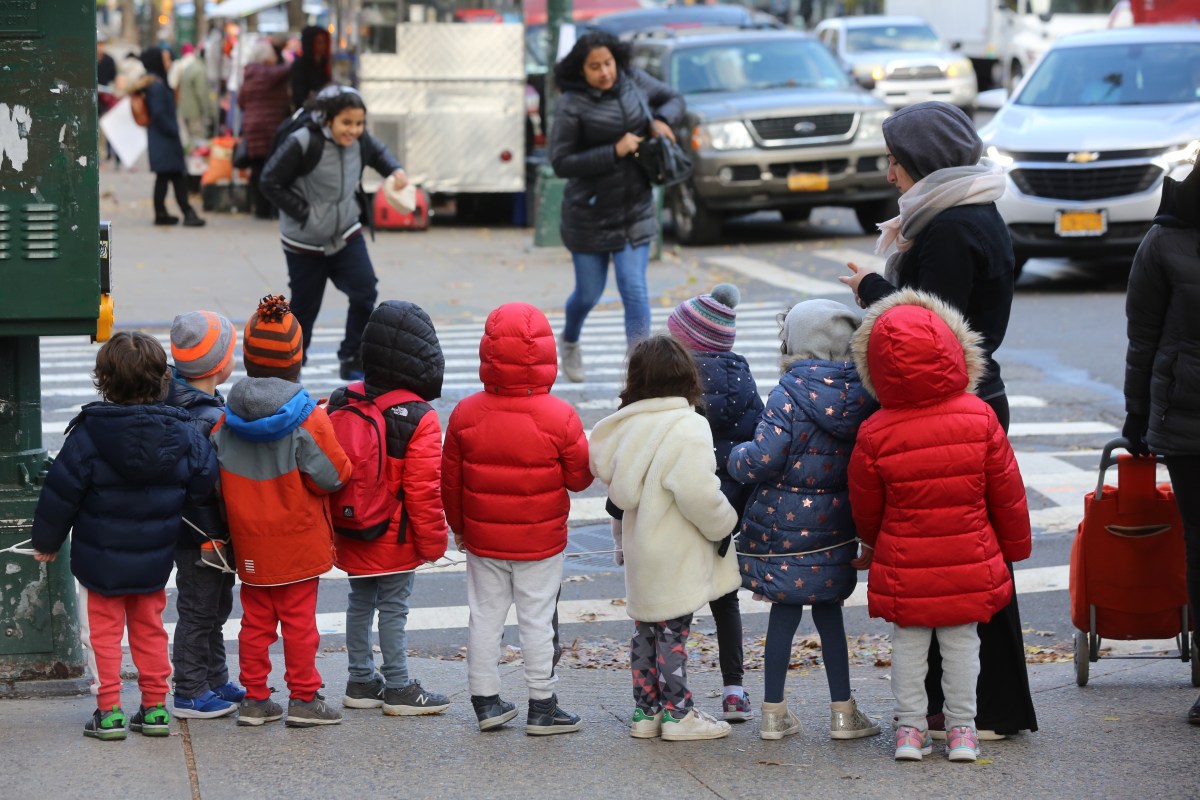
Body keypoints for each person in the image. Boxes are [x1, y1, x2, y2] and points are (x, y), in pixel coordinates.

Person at [837, 100, 1035, 740]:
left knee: (960, 563)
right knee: (968, 558)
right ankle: (967, 709)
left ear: (923, 160)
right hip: (969, 401)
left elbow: (929, 331)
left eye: (895, 160)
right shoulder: (970, 210)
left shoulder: (950, 226)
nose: (889, 172)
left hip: (949, 408)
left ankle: (984, 710)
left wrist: (872, 290)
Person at [847, 289, 1031, 763]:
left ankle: (910, 730)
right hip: (968, 555)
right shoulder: (980, 417)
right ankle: (962, 730)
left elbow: (866, 504)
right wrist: (1015, 546)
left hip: (904, 559)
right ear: (953, 349)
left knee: (909, 646)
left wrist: (870, 544)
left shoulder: (875, 431)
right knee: (963, 645)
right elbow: (1007, 491)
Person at [31, 332, 218, 741]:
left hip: (99, 562)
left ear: (104, 381)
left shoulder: (88, 434)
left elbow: (61, 493)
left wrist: (46, 541)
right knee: (150, 629)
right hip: (154, 558)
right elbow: (204, 481)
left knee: (101, 635)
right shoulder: (185, 432)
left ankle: (109, 711)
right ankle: (155, 707)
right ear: (162, 379)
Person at [727, 299, 880, 742]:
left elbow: (763, 457)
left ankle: (773, 713)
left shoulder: (789, 392)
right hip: (836, 523)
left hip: (785, 523)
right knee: (830, 613)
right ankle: (843, 713)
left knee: (785, 609)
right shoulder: (866, 396)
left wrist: (735, 458)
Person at [441, 302, 593, 735]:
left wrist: (459, 528)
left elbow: (449, 481)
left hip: (484, 539)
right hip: (540, 541)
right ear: (545, 355)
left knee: (484, 618)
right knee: (537, 621)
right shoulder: (560, 415)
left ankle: (485, 701)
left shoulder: (466, 413)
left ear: (488, 352)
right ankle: (542, 706)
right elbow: (579, 478)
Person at [209, 295, 352, 728]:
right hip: (298, 544)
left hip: (250, 545)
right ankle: (304, 698)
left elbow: (215, 481)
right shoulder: (309, 419)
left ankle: (255, 698)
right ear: (296, 360)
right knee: (299, 625)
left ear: (248, 359)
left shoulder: (225, 421)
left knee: (255, 624)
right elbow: (333, 476)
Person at [589, 334, 740, 742]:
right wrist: (724, 522)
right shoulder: (687, 425)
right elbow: (697, 492)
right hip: (675, 550)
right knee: (673, 635)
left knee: (646, 631)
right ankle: (678, 714)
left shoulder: (627, 426)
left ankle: (646, 710)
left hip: (642, 547)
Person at [331, 301, 451, 716]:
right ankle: (398, 685)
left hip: (350, 528)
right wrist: (433, 544)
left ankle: (360, 680)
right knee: (394, 609)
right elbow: (423, 491)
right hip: (394, 537)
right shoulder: (420, 417)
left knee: (359, 602)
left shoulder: (341, 399)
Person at [548, 31, 684, 382]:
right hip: (589, 213)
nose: (604, 72)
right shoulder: (572, 103)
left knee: (634, 288)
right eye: (594, 67)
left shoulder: (633, 80)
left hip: (635, 207)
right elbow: (561, 162)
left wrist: (661, 119)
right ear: (581, 70)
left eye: (608, 63)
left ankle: (640, 373)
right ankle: (570, 339)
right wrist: (614, 150)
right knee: (588, 294)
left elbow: (673, 98)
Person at [1123, 159, 1200, 724]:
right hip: (1188, 421)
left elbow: (1144, 336)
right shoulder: (1166, 238)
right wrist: (1138, 415)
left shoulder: (1166, 237)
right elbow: (1143, 335)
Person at [260, 85, 406, 381]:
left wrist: (395, 170)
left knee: (365, 291)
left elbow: (379, 152)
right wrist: (306, 214)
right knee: (304, 310)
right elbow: (269, 181)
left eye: (359, 123)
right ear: (328, 119)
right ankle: (292, 369)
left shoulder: (359, 141)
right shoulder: (304, 141)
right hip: (304, 242)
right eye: (346, 122)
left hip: (345, 232)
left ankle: (352, 357)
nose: (354, 130)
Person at [663, 283, 760, 722]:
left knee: (677, 603)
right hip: (726, 508)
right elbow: (757, 435)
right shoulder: (742, 376)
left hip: (681, 508)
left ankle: (673, 694)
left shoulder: (676, 381)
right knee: (726, 600)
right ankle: (734, 691)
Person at [165, 311, 245, 720]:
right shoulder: (208, 418)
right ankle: (190, 690)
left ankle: (215, 678)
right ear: (220, 364)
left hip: (193, 528)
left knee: (213, 608)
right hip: (203, 532)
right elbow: (219, 484)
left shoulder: (184, 402)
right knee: (200, 611)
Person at [137, 47, 205, 227]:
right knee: (174, 176)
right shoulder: (157, 85)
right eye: (165, 59)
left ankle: (164, 213)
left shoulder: (154, 83)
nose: (168, 63)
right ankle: (186, 212)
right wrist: (173, 130)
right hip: (165, 139)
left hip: (161, 139)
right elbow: (159, 113)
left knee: (168, 177)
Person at [237, 39, 292, 219]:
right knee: (270, 168)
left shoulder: (249, 74)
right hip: (269, 127)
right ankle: (268, 209)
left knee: (257, 168)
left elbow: (241, 101)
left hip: (252, 126)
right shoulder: (267, 73)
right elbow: (289, 69)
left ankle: (260, 208)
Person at [176, 43, 215, 144]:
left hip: (185, 110)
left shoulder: (191, 67)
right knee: (197, 142)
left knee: (191, 140)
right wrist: (210, 113)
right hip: (195, 112)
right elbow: (202, 93)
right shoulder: (200, 70)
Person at [291, 25, 331, 110]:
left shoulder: (324, 63)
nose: (323, 46)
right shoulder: (300, 66)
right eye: (319, 43)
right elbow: (299, 96)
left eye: (324, 42)